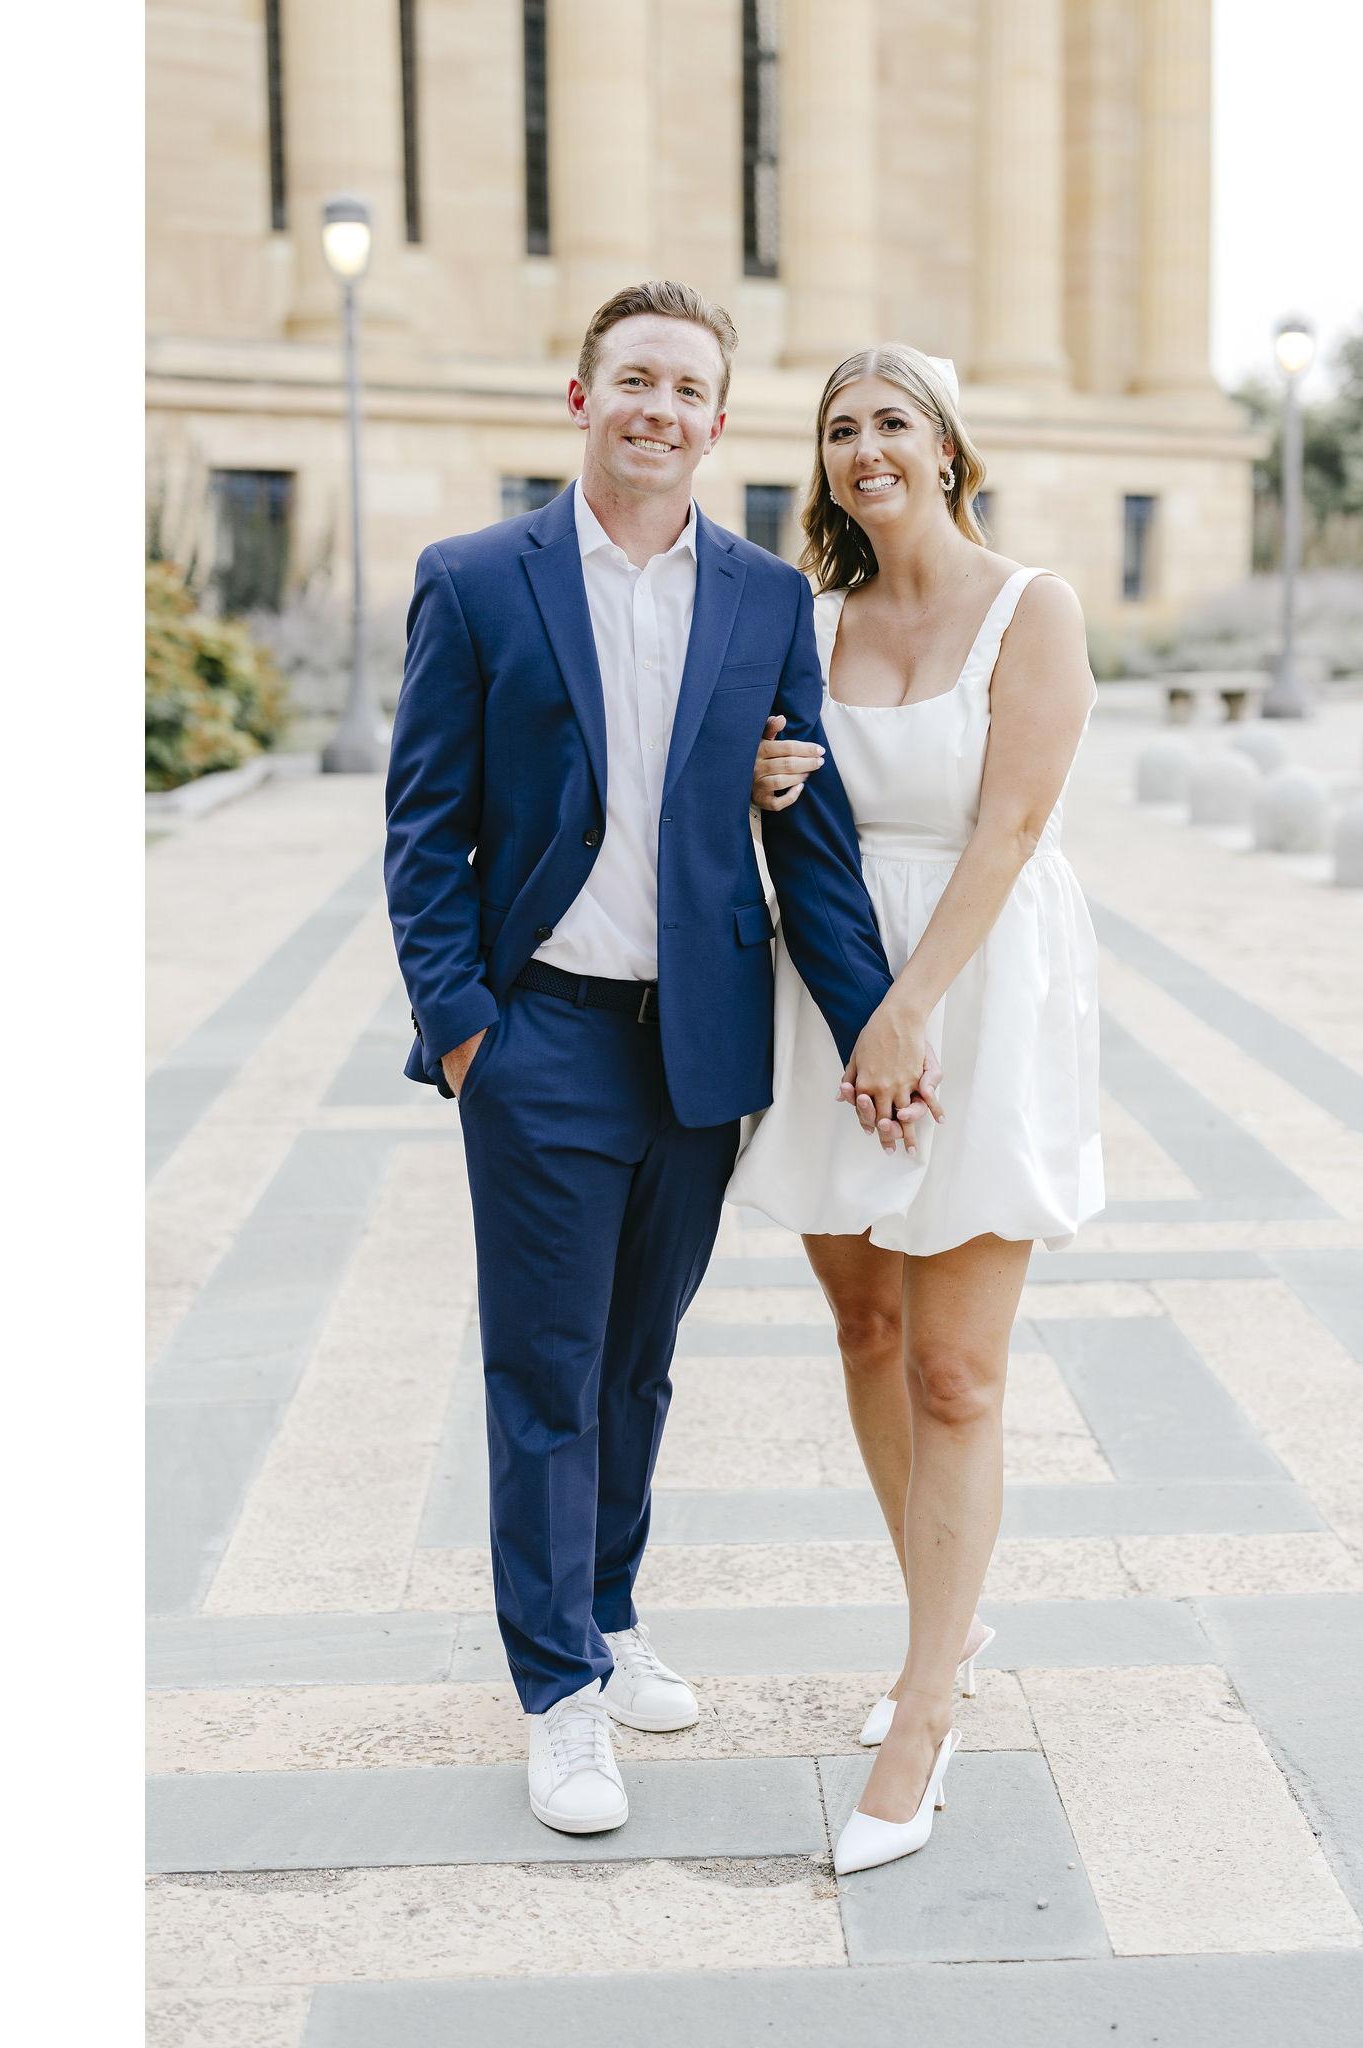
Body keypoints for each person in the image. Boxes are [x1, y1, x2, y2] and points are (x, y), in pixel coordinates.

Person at [382, 282, 934, 1836]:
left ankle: (609, 1613)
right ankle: (556, 1690)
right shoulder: (476, 580)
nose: (659, 409)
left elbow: (809, 842)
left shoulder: (764, 601)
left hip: (697, 1046)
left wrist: (874, 1022)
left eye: (688, 389)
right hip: (539, 1035)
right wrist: (466, 1034)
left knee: (637, 1361)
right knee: (545, 1369)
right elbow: (423, 831)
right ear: (584, 399)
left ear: (718, 421)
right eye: (635, 379)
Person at [729, 344, 1103, 1875]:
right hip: (829, 985)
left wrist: (908, 1009)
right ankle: (942, 1622)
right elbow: (767, 801)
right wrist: (759, 779)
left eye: (892, 422)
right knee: (865, 1327)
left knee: (956, 1371)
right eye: (840, 428)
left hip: (975, 984)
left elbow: (1012, 828)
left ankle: (927, 1706)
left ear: (948, 447)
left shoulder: (1033, 607)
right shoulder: (804, 618)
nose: (865, 447)